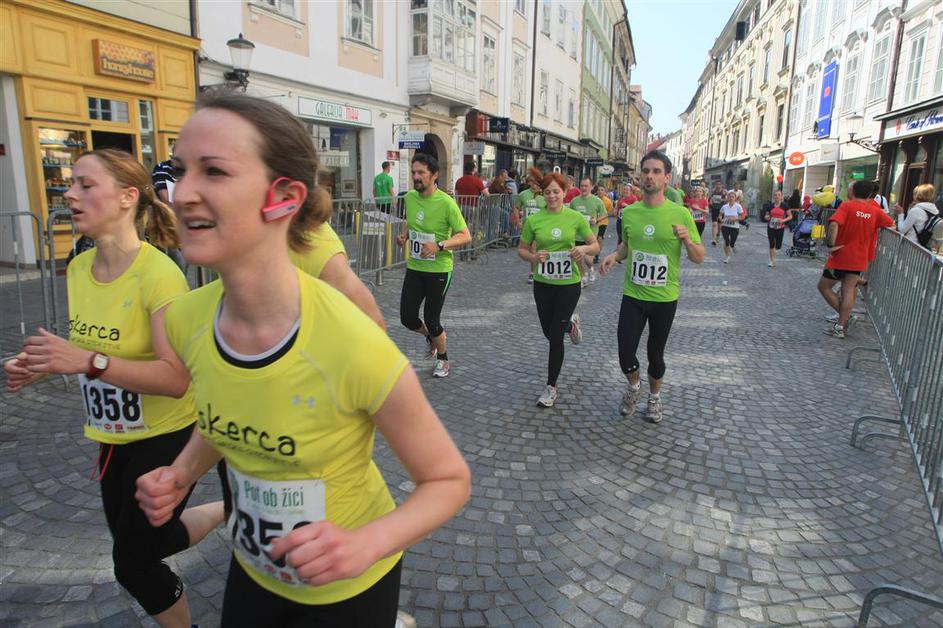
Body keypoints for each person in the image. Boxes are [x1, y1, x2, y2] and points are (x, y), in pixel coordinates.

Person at [134, 93, 471, 627]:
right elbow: (229, 414)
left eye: (214, 171)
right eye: (180, 171)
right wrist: (180, 473)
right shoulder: (187, 320)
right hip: (254, 568)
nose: (183, 193)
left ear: (283, 198)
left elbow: (448, 481)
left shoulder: (351, 341)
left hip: (349, 587)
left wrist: (366, 544)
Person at [5, 149, 222, 627]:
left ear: (127, 197)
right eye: (71, 183)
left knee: (133, 563)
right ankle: (230, 509)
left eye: (85, 185)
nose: (69, 194)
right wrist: (45, 365)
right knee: (149, 542)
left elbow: (176, 378)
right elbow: (94, 348)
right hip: (111, 436)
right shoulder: (79, 268)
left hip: (167, 435)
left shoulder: (160, 275)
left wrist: (86, 362)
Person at [600, 150, 704, 423]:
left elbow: (699, 257)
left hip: (664, 298)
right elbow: (627, 246)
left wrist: (687, 240)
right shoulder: (630, 213)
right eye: (646, 171)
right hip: (633, 294)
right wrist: (614, 256)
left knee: (655, 355)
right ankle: (635, 387)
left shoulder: (680, 213)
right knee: (625, 353)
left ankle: (655, 397)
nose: (650, 176)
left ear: (667, 178)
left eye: (657, 171)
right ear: (640, 176)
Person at [517, 172, 598, 408]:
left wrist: (583, 250)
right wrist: (533, 257)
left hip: (569, 284)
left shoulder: (575, 217)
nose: (552, 196)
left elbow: (594, 245)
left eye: (556, 191)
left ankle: (551, 387)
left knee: (554, 337)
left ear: (565, 192)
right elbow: (521, 249)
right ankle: (570, 326)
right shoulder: (535, 220)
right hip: (543, 283)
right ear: (542, 194)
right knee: (548, 331)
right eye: (547, 192)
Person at [396, 154, 472, 378]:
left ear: (434, 175)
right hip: (415, 267)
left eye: (421, 172)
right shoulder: (410, 197)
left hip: (439, 270)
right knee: (407, 318)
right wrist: (404, 235)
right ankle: (431, 337)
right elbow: (412, 221)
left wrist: (439, 246)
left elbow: (465, 235)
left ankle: (443, 358)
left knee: (432, 318)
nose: (416, 177)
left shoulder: (446, 203)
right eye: (414, 172)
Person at [819, 180, 894, 338]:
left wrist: (831, 244)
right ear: (869, 194)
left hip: (841, 255)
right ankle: (841, 326)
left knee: (824, 287)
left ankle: (845, 318)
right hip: (860, 257)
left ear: (853, 191)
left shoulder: (847, 206)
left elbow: (834, 224)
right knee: (848, 290)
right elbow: (890, 223)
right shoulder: (875, 210)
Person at [568, 178, 607, 285]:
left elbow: (604, 214)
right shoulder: (574, 201)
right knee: (577, 258)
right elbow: (570, 215)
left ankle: (590, 269)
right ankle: (582, 276)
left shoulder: (597, 201)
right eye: (582, 186)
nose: (583, 188)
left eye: (586, 186)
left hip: (590, 234)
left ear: (591, 187)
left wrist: (596, 220)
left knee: (588, 259)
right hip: (577, 235)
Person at [513, 167, 547, 284]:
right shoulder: (523, 194)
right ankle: (534, 272)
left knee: (537, 249)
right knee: (532, 250)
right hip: (528, 227)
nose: (534, 184)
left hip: (542, 226)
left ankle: (538, 271)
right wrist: (518, 221)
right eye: (531, 182)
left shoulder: (544, 194)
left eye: (536, 182)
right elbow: (516, 207)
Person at [764, 189, 793, 268]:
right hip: (771, 227)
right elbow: (766, 215)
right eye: (775, 195)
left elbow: (790, 216)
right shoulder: (770, 206)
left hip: (780, 228)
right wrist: (767, 217)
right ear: (774, 196)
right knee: (771, 243)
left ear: (781, 196)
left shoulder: (785, 206)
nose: (777, 196)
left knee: (778, 246)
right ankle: (772, 261)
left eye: (779, 195)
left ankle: (775, 251)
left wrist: (783, 220)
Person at [719, 191, 745, 263]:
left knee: (732, 242)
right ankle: (727, 257)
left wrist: (735, 219)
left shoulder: (738, 206)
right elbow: (720, 215)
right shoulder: (724, 207)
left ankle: (733, 246)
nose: (731, 198)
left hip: (735, 227)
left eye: (732, 197)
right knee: (726, 241)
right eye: (729, 197)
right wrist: (721, 219)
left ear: (735, 198)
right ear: (727, 198)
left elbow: (743, 217)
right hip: (725, 226)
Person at [595, 183, 613, 262]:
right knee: (594, 238)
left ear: (605, 192)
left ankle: (597, 255)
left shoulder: (607, 201)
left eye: (602, 190)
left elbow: (609, 212)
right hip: (594, 222)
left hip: (603, 222)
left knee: (599, 238)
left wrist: (601, 218)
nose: (600, 191)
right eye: (599, 190)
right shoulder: (594, 199)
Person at [708, 180, 726, 246]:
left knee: (719, 224)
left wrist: (722, 200)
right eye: (717, 184)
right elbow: (710, 198)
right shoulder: (713, 191)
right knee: (714, 224)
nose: (718, 185)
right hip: (714, 209)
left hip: (721, 210)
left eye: (719, 184)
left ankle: (718, 233)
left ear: (721, 185)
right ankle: (714, 239)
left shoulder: (724, 192)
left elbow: (727, 199)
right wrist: (710, 201)